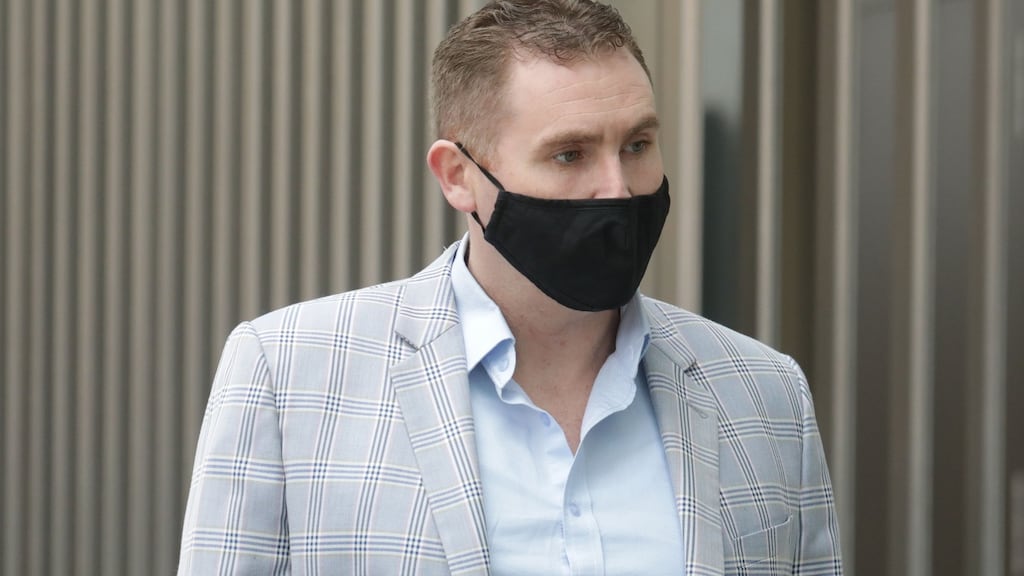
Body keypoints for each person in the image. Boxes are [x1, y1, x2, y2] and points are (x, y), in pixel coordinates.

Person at [177, 1, 843, 574]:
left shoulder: (767, 393)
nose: (617, 189)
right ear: (458, 176)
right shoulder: (287, 374)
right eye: (569, 154)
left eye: (637, 145)